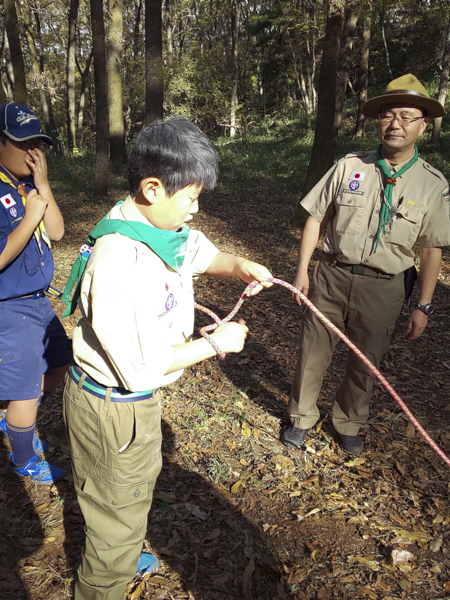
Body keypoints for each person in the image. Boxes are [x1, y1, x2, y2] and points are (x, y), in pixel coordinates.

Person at [62, 116, 273, 600]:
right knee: (115, 511)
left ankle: (122, 540)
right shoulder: (121, 260)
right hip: (115, 406)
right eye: (192, 198)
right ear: (153, 188)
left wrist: (237, 265)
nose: (196, 210)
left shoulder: (156, 225)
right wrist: (216, 344)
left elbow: (194, 252)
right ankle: (106, 577)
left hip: (132, 404)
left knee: (130, 494)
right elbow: (142, 366)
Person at [282, 74, 450, 456]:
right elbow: (315, 217)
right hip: (330, 276)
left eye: (407, 116)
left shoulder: (432, 184)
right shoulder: (349, 166)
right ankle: (301, 418)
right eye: (389, 115)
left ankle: (349, 421)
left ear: (423, 126)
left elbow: (430, 249)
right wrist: (302, 270)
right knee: (312, 352)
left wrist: (423, 305)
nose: (396, 123)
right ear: (378, 121)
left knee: (365, 362)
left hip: (384, 286)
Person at [0, 103, 71, 483]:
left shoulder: (26, 184)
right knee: (26, 391)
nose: (32, 154)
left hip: (38, 303)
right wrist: (29, 218)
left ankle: (14, 416)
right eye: (22, 142)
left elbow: (57, 233)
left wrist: (42, 187)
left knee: (62, 361)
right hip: (9, 309)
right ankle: (24, 460)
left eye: (37, 145)